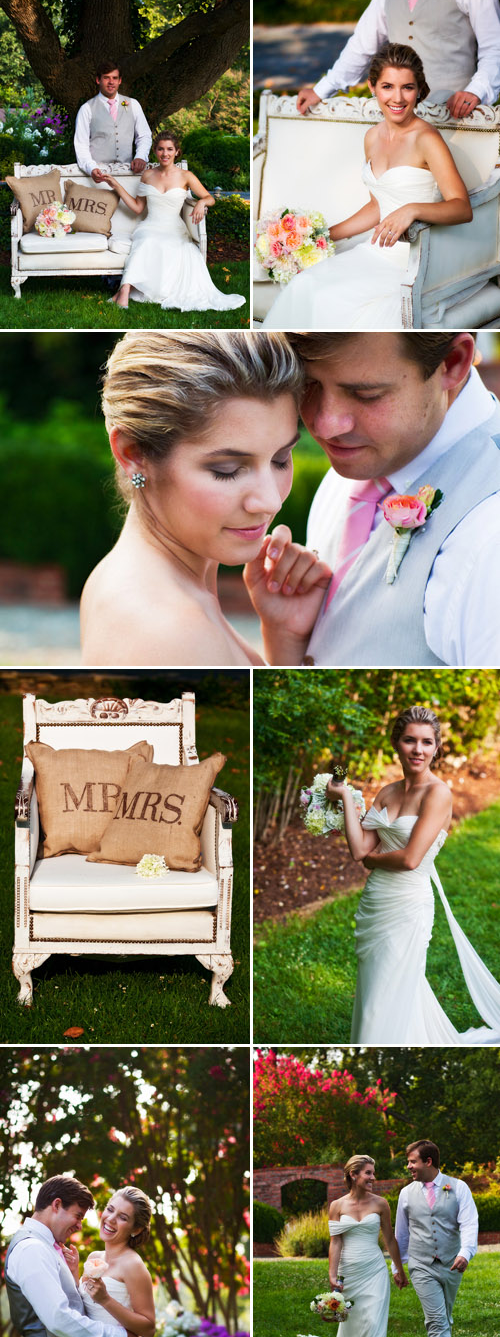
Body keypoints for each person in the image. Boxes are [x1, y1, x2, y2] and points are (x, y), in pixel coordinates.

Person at [243, 330, 500, 667]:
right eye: (308, 384)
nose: (324, 424)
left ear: (452, 363)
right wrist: (286, 640)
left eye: (365, 394)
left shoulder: (489, 536)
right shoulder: (352, 471)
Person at [80, 331, 331, 667]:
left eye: (281, 459)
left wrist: (284, 636)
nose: (270, 501)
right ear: (133, 453)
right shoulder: (171, 630)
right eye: (227, 470)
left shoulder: (143, 585)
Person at [264, 45, 472, 331]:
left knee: (335, 302)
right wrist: (321, 236)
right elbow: (378, 205)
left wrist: (412, 210)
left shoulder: (427, 138)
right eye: (387, 86)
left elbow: (462, 207)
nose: (397, 98)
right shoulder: (372, 137)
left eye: (407, 88)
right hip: (375, 251)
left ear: (419, 90)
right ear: (373, 87)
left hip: (411, 260)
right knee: (304, 284)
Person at [329, 705, 500, 1045]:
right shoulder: (388, 792)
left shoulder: (438, 794)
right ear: (397, 744)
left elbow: (410, 859)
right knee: (379, 984)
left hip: (408, 903)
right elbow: (360, 849)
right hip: (376, 902)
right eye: (409, 741)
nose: (417, 750)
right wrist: (346, 797)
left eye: (426, 742)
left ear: (437, 747)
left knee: (390, 986)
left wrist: (372, 862)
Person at [4, 1175, 144, 1337]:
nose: (80, 1225)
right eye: (78, 1215)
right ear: (56, 1205)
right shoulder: (32, 1249)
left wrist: (73, 1275)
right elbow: (58, 1318)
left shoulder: (48, 1248)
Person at [296, 0, 500, 115]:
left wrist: (477, 91)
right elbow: (361, 45)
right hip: (399, 117)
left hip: (454, 117)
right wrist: (321, 90)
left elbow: (494, 48)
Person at [104, 130, 245, 313]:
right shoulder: (147, 175)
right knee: (147, 240)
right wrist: (116, 186)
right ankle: (124, 290)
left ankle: (124, 291)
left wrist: (201, 202)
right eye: (161, 149)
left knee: (168, 243)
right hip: (150, 226)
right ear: (155, 151)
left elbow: (210, 198)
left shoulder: (186, 176)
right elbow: (138, 207)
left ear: (177, 151)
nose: (165, 154)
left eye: (170, 149)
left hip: (174, 228)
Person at [299, 1154, 406, 1337]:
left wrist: (398, 1268)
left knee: (374, 1318)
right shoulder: (336, 1206)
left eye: (373, 1173)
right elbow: (335, 1242)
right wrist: (332, 1273)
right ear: (353, 1174)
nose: (373, 1178)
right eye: (368, 1173)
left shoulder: (381, 1204)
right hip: (350, 1271)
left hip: (374, 1269)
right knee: (354, 1320)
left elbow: (389, 1238)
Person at [80, 1186, 185, 1337]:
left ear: (136, 1229)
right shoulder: (93, 1258)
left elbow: (149, 1328)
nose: (110, 1219)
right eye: (110, 1209)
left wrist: (106, 1299)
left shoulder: (134, 1265)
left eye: (123, 1217)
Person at [393, 1139, 478, 1337]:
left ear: (428, 1161)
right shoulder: (406, 1194)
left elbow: (470, 1223)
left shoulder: (458, 1187)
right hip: (421, 1265)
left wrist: (466, 1253)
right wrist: (398, 1267)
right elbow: (402, 1234)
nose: (409, 1166)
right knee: (437, 1319)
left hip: (453, 1263)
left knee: (444, 1316)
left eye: (412, 1161)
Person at [74, 59, 152, 182]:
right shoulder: (87, 109)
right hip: (99, 175)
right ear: (98, 80)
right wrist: (92, 168)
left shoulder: (133, 104)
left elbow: (144, 135)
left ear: (120, 81)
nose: (111, 82)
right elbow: (81, 145)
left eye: (114, 78)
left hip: (127, 173)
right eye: (106, 78)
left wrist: (141, 156)